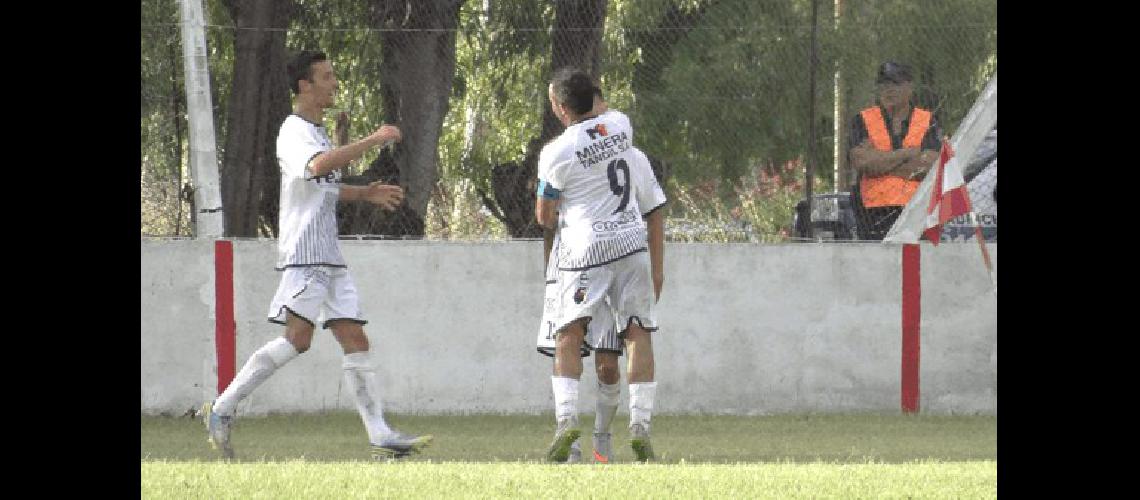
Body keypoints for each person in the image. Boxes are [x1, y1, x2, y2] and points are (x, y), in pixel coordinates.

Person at [200, 50, 432, 460]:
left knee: (355, 337)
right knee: (297, 340)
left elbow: (323, 183)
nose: (334, 82)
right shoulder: (293, 130)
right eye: (326, 76)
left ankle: (380, 433)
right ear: (304, 86)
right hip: (305, 252)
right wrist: (372, 140)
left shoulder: (318, 129)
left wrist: (365, 193)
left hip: (328, 253)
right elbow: (316, 167)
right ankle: (222, 408)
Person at [535, 67, 667, 463]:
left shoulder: (556, 151)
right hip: (631, 244)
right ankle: (641, 426)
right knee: (638, 331)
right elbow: (602, 110)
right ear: (594, 96)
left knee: (568, 333)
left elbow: (544, 215)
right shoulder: (620, 125)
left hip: (585, 251)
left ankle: (565, 422)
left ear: (560, 108)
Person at [849, 61, 942, 240]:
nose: (888, 89)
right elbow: (864, 163)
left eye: (895, 83)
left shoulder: (928, 120)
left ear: (909, 87)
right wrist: (908, 154)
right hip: (872, 216)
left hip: (917, 210)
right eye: (883, 84)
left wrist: (880, 160)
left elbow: (930, 166)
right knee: (876, 266)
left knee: (913, 266)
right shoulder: (863, 120)